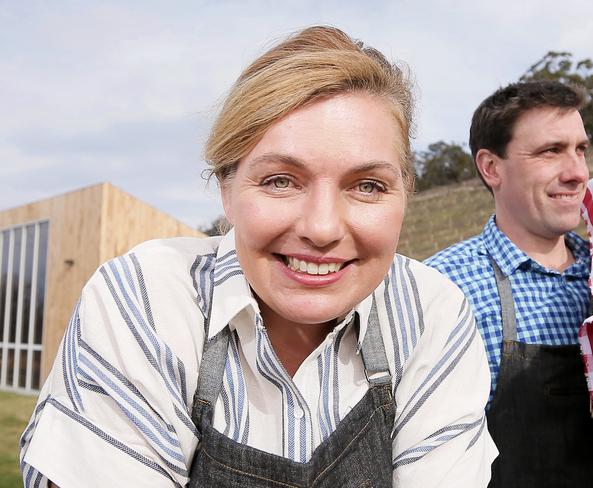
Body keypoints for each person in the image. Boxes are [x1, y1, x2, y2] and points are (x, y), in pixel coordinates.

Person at [20, 26, 496, 487]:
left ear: (404, 196)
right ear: (226, 189)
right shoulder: (146, 298)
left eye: (367, 186)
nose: (322, 228)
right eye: (281, 181)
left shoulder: (432, 315)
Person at [424, 80, 593, 487]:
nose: (577, 172)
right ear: (491, 167)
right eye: (551, 151)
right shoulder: (444, 287)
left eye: (580, 149)